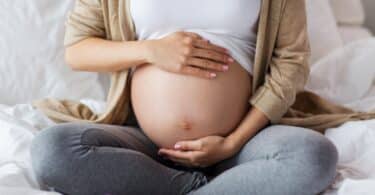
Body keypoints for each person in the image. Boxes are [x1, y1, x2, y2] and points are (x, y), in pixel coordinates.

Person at [30, 0, 338, 194]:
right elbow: (77, 50)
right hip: (147, 145)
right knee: (51, 150)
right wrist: (150, 50)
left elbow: (292, 61)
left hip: (242, 142)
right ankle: (203, 187)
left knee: (312, 157)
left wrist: (232, 142)